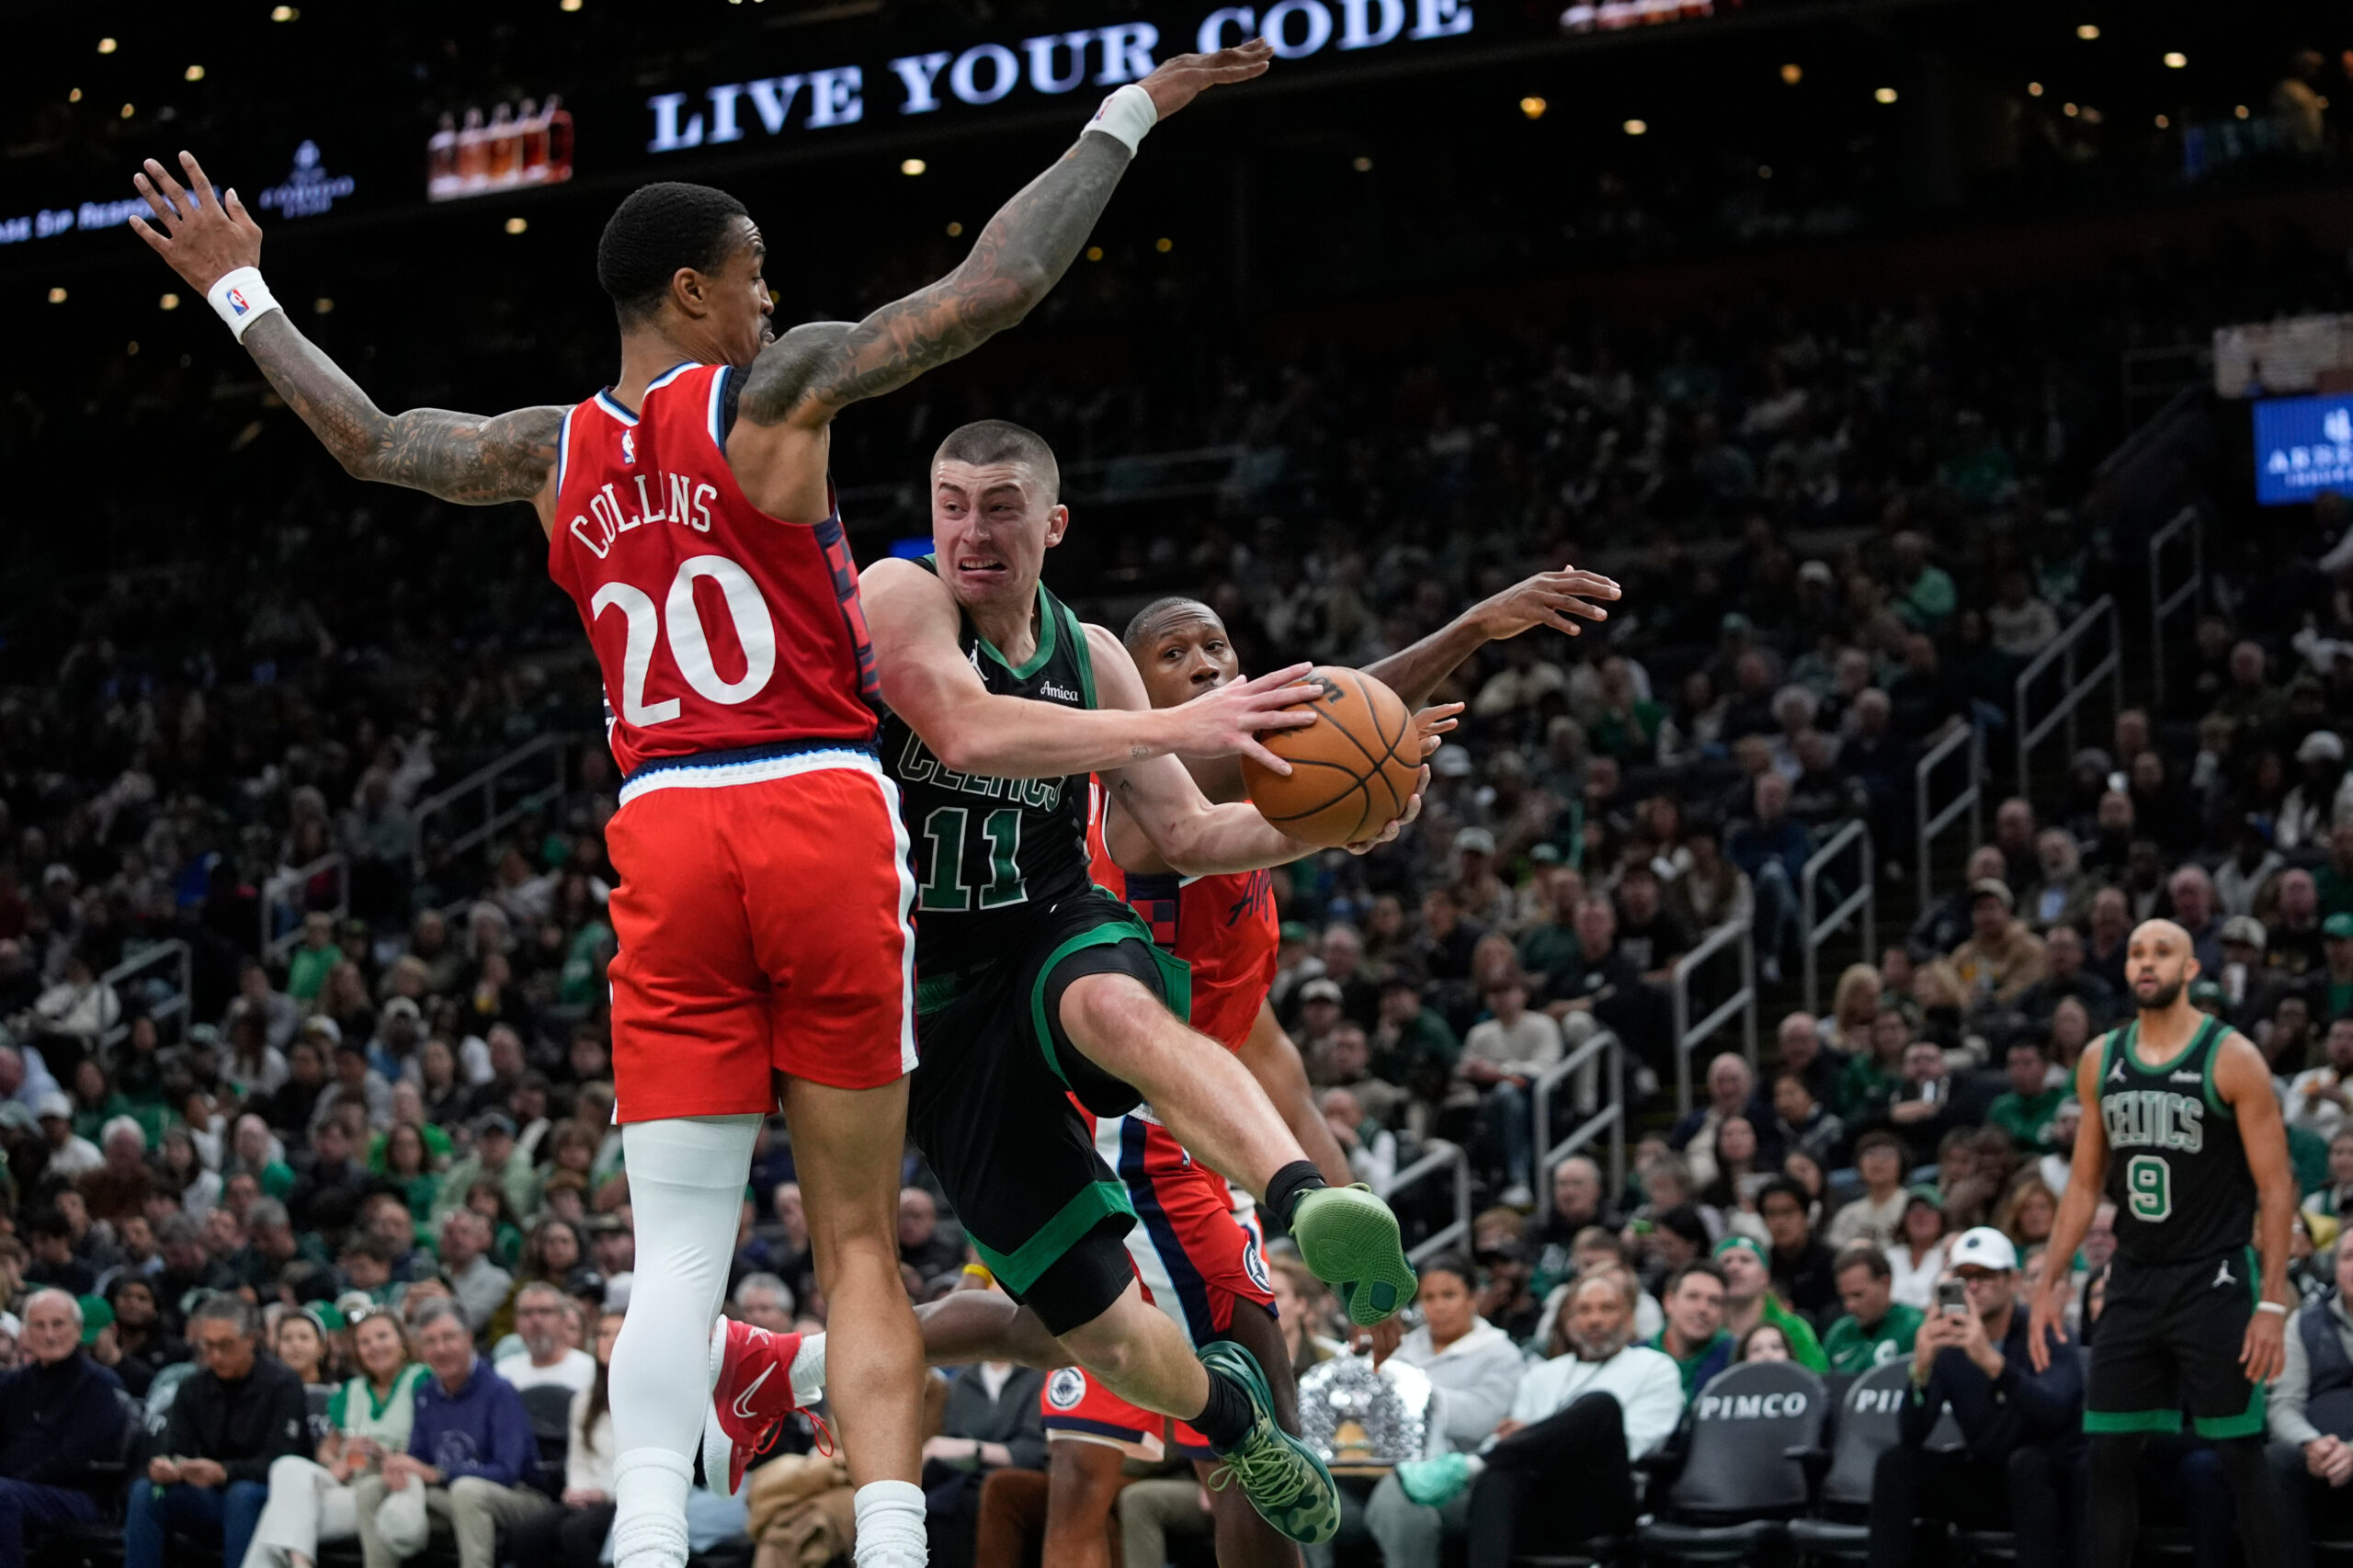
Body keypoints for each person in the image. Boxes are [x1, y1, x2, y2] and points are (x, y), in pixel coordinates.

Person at [129, 41, 1278, 1568]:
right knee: (859, 1235)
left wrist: (242, 290)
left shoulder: (548, 449)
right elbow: (998, 283)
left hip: (662, 818)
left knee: (678, 1245)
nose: (763, 298)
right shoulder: (774, 388)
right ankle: (883, 1539)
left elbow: (371, 440)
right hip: (808, 798)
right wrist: (1133, 114)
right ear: (690, 294)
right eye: (749, 279)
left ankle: (653, 1537)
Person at [839, 415, 1445, 1548]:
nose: (971, 529)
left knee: (1116, 1001)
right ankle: (1238, 1424)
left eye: (1002, 505)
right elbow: (963, 730)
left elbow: (1198, 826)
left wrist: (1335, 822)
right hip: (930, 1006)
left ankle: (1305, 1199)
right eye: (952, 503)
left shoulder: (1096, 655)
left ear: (1052, 523)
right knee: (1106, 1336)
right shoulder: (897, 593)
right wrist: (1183, 719)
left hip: (1049, 926)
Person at [2029, 919, 2297, 1568]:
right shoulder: (2100, 1058)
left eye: (2163, 953)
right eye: (2137, 954)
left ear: (2190, 970)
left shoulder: (2231, 1056)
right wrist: (2049, 1279)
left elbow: (2278, 1187)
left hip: (2216, 1280)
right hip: (2134, 1278)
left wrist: (2272, 1303)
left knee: (2238, 1454)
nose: (2147, 963)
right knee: (2108, 1455)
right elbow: (2086, 1182)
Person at [1379, 1270, 1683, 1566]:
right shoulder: (1542, 1373)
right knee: (1500, 1474)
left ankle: (1477, 1461)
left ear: (1628, 1318)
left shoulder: (1656, 1367)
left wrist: (1534, 1434)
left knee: (1600, 1406)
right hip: (1541, 1499)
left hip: (1602, 1494)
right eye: (1584, 1310)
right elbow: (1511, 1441)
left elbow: (1634, 1443)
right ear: (1570, 1321)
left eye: (1607, 1309)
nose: (1595, 1319)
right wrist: (1527, 1439)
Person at [1869, 1227, 2084, 1568]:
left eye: (1984, 1275)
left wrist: (1993, 1363)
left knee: (2027, 1463)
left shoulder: (2046, 1331)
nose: (1973, 1286)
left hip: (2050, 1483)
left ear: (2013, 1282)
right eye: (1963, 1276)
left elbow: (2055, 1412)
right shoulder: (1950, 1345)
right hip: (1988, 1480)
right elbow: (1912, 1435)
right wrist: (1921, 1370)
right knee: (1898, 1463)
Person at [353, 1299, 552, 1568]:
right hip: (449, 1496)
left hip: (520, 1497)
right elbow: (418, 1456)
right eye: (431, 1341)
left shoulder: (499, 1391)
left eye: (449, 1338)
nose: (440, 1349)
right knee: (371, 1489)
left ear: (468, 1338)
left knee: (467, 1491)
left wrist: (438, 1474)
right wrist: (399, 1468)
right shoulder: (426, 1394)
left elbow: (508, 1470)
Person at [129, 1293, 309, 1568]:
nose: (215, 1356)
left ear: (251, 1339)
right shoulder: (192, 1386)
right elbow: (177, 1448)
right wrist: (168, 1467)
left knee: (242, 1494)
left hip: (270, 1499)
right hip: (212, 1497)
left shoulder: (283, 1383)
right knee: (147, 1492)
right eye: (208, 1346)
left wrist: (224, 1472)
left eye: (225, 1346)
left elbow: (283, 1460)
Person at [246, 1303, 429, 1568]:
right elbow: (326, 1449)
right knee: (287, 1468)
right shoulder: (352, 1390)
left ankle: (299, 1563)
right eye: (364, 1342)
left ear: (402, 1340)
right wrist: (336, 1462)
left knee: (278, 1517)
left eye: (382, 1337)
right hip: (349, 1484)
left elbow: (432, 1444)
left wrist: (384, 1454)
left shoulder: (421, 1380)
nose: (374, 1347)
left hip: (389, 1490)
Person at [0, 1290, 129, 1568]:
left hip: (78, 1495)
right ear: (26, 1332)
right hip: (16, 1488)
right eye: (39, 1325)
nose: (49, 1335)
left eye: (58, 1324)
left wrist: (14, 1480)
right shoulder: (13, 1384)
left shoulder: (99, 1385)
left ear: (78, 1330)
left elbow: (73, 1458)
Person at [506, 1309, 627, 1568]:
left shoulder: (647, 1399)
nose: (609, 1340)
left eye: (619, 1333)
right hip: (589, 1494)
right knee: (527, 1534)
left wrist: (604, 1493)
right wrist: (578, 1491)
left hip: (624, 1497)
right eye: (604, 1333)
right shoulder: (583, 1401)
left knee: (575, 1532)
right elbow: (578, 1459)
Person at [1711, 1236, 1827, 1370]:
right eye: (1726, 1261)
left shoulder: (1794, 1329)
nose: (1734, 1267)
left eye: (1745, 1260)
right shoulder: (1704, 1331)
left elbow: (1817, 1379)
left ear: (1765, 1276)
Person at [1822, 1246, 1924, 1373]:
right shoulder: (1839, 1334)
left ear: (1885, 1283)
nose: (1849, 1306)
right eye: (1844, 1297)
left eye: (1857, 1295)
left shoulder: (1914, 1327)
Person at [1644, 1259, 1733, 1396]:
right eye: (1693, 1297)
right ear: (1669, 1302)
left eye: (1714, 1301)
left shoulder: (1735, 1356)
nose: (1703, 1309)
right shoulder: (1637, 1356)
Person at [495, 1285, 597, 1396]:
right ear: (516, 1323)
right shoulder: (503, 1373)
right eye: (526, 1312)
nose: (535, 1320)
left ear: (563, 1320)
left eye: (545, 1311)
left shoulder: (590, 1370)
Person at [1829, 1132, 1914, 1249]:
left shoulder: (1913, 1206)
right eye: (1870, 1154)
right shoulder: (1848, 1214)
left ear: (1902, 1164)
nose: (1878, 1160)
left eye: (1887, 1154)